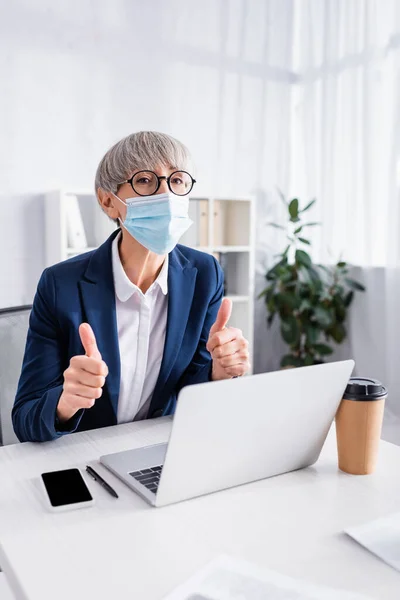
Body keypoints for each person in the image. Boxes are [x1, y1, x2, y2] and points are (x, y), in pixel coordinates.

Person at [13, 131, 250, 442]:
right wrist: (65, 402)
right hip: (86, 455)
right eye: (145, 181)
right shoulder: (60, 285)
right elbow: (25, 419)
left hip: (162, 448)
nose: (166, 195)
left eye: (177, 181)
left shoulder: (205, 274)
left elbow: (190, 386)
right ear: (109, 202)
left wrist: (219, 371)